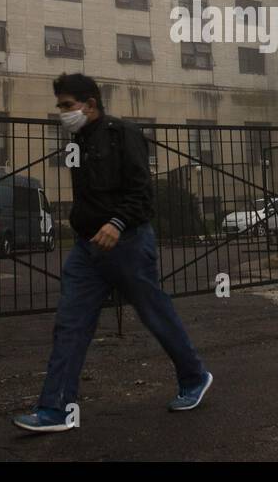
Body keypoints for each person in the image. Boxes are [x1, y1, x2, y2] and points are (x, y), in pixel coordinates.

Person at [13, 73, 212, 432]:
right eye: (59, 106)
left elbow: (141, 191)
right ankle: (54, 409)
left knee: (154, 313)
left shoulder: (124, 134)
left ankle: (195, 377)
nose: (62, 113)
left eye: (67, 106)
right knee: (70, 324)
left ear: (90, 104)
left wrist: (117, 223)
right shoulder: (79, 141)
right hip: (87, 250)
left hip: (128, 243)